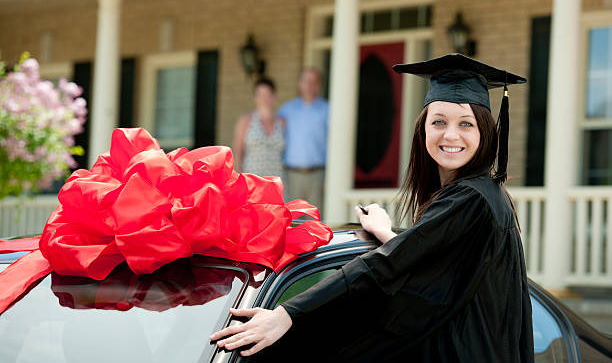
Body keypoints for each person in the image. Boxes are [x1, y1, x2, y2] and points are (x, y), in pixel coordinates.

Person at [211, 54, 535, 362]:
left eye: (466, 124)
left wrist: (287, 314)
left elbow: (381, 269)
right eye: (439, 121)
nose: (450, 135)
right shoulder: (480, 196)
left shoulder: (472, 200)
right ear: (423, 128)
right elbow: (435, 271)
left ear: (485, 132)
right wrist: (387, 234)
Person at [277, 68, 329, 211]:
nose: (309, 85)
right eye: (306, 81)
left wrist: (329, 176)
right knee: (292, 220)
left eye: (314, 82)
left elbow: (333, 145)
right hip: (291, 176)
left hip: (318, 175)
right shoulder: (285, 110)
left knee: (316, 222)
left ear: (319, 85)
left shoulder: (327, 110)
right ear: (299, 84)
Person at [232, 77, 285, 178]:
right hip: (252, 179)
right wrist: (237, 178)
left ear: (273, 96)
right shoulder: (246, 121)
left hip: (276, 179)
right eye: (259, 94)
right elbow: (238, 153)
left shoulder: (281, 122)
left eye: (267, 94)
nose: (263, 98)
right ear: (255, 97)